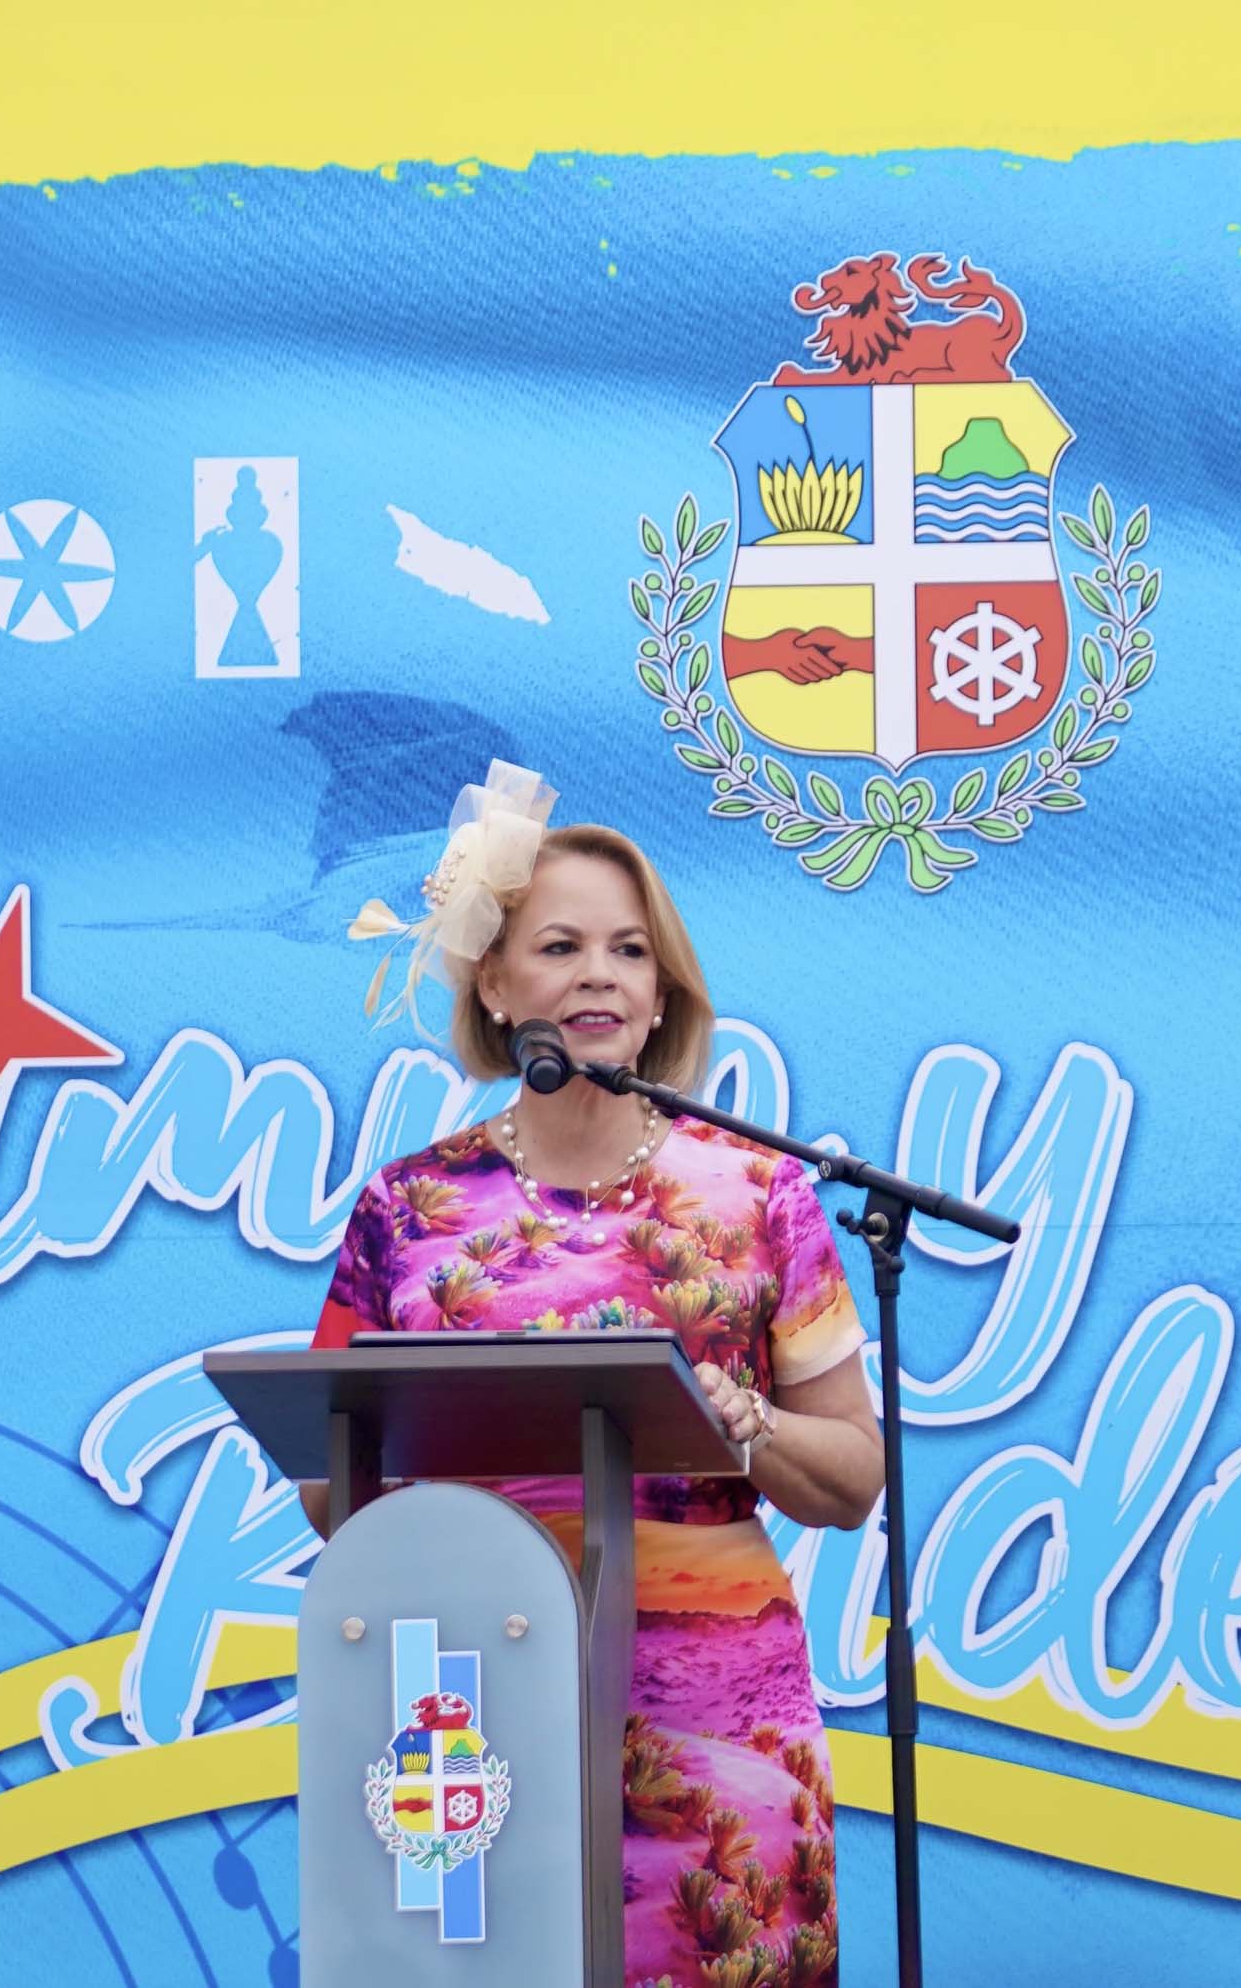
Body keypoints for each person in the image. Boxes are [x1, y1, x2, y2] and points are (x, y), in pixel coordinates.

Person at [325, 775, 881, 1988]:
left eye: (630, 951)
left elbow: (850, 1477)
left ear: (662, 992)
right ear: (492, 981)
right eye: (560, 946)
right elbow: (333, 1485)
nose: (601, 975)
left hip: (717, 1724)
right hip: (470, 1708)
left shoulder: (759, 1193)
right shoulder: (406, 1208)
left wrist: (747, 1420)